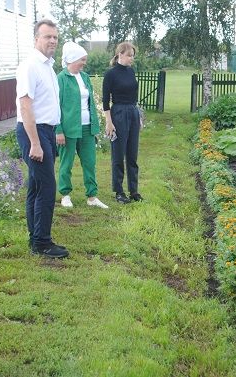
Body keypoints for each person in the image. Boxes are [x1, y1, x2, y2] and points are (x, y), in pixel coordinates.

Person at [15, 19, 69, 258]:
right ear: (36, 38)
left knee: (36, 187)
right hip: (33, 131)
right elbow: (25, 105)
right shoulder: (30, 66)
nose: (53, 41)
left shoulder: (48, 66)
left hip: (46, 131)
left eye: (55, 37)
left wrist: (51, 133)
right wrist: (35, 143)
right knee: (47, 187)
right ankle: (42, 242)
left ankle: (35, 238)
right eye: (47, 37)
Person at [55, 42, 109, 209]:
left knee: (89, 162)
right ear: (72, 59)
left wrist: (95, 126)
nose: (84, 62)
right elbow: (55, 106)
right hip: (68, 129)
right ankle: (65, 195)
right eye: (82, 59)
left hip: (87, 128)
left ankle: (92, 197)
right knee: (66, 163)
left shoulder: (85, 77)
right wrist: (58, 130)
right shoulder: (60, 79)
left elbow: (91, 103)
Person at [102, 42, 143, 204]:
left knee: (132, 154)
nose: (132, 58)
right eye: (129, 55)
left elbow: (134, 97)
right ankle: (119, 191)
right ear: (120, 54)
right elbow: (106, 101)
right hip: (118, 113)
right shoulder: (110, 75)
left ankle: (134, 190)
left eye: (133, 55)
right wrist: (109, 122)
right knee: (118, 154)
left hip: (132, 112)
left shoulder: (131, 72)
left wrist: (138, 116)